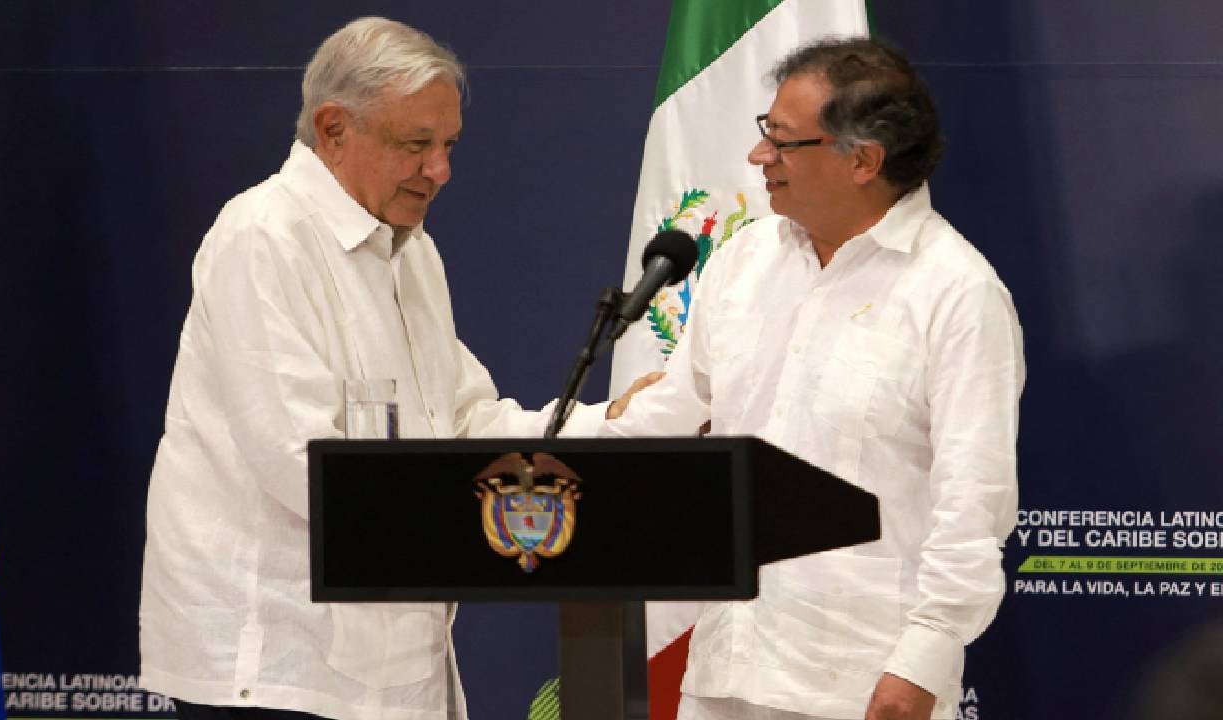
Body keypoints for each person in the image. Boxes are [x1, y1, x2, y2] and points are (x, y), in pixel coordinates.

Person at [138, 16, 652, 720]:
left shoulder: (411, 253)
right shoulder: (262, 237)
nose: (440, 170)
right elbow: (302, 465)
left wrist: (612, 428)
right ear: (333, 129)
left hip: (393, 662)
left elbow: (466, 419)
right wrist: (486, 510)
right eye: (416, 145)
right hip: (284, 668)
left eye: (448, 146)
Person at [603, 37, 1025, 720]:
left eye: (783, 141)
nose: (757, 157)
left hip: (861, 682)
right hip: (726, 666)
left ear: (863, 160)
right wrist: (515, 434)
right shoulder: (744, 261)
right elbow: (670, 415)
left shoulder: (956, 292)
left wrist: (924, 660)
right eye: (765, 133)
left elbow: (973, 505)